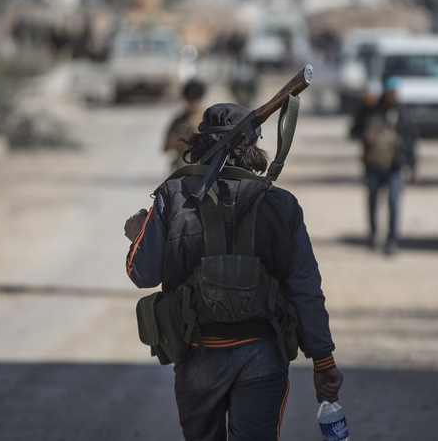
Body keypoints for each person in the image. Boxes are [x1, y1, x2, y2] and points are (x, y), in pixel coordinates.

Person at [124, 102, 344, 441]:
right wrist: (323, 361)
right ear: (254, 147)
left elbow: (143, 273)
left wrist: (140, 233)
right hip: (263, 355)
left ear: (200, 147)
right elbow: (305, 289)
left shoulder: (174, 194)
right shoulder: (281, 204)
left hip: (198, 356)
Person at [350, 76, 417, 255]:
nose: (395, 97)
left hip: (395, 166)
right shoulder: (369, 110)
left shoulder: (402, 113)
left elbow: (410, 140)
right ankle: (373, 235)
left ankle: (392, 240)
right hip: (373, 165)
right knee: (372, 200)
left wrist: (413, 166)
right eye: (392, 93)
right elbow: (353, 130)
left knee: (394, 202)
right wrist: (363, 133)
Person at [163, 79, 207, 171]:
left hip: (203, 172)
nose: (194, 104)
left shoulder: (207, 120)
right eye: (190, 99)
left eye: (196, 100)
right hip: (182, 171)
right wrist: (182, 138)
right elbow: (166, 147)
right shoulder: (179, 121)